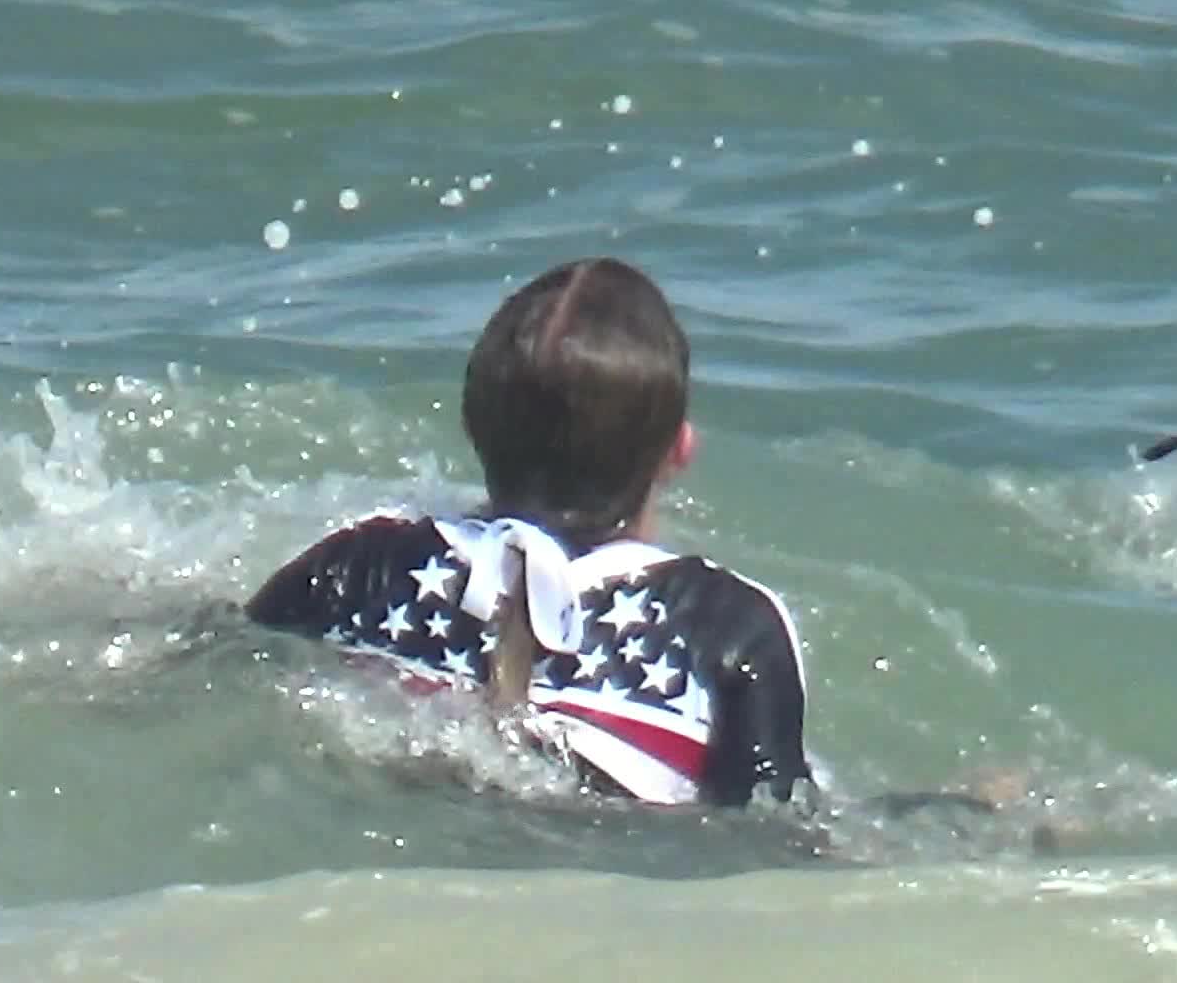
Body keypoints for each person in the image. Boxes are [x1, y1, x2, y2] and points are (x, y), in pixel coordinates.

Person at [244, 257, 818, 812]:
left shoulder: (361, 566)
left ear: (471, 426)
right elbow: (776, 826)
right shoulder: (730, 627)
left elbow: (222, 651)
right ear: (679, 449)